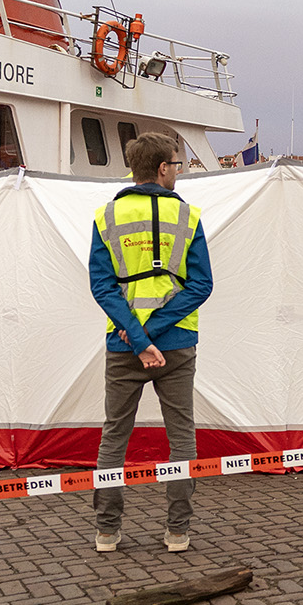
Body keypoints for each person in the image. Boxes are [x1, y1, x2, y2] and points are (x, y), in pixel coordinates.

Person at [90, 132, 214, 553]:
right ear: (162, 168)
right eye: (176, 165)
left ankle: (107, 532)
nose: (177, 171)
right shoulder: (189, 216)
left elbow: (102, 286)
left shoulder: (107, 216)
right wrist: (155, 333)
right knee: (182, 438)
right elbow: (201, 285)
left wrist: (139, 337)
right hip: (176, 344)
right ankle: (178, 532)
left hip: (124, 344)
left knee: (114, 437)